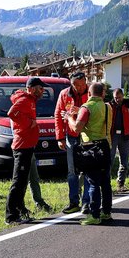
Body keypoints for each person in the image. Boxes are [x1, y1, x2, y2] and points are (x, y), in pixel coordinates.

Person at [4, 77, 49, 225]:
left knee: (22, 182)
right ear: (32, 88)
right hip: (22, 146)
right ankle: (10, 216)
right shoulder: (25, 100)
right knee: (18, 182)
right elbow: (12, 113)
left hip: (27, 146)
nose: (43, 91)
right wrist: (30, 123)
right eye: (40, 88)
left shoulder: (30, 100)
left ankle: (20, 210)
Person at [67, 82, 113, 226]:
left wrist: (69, 117)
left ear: (89, 93)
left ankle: (94, 215)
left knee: (93, 182)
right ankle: (106, 212)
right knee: (105, 182)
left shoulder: (86, 108)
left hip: (91, 148)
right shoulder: (108, 107)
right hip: (106, 146)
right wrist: (79, 111)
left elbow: (76, 129)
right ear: (103, 93)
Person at [55, 71, 90, 214]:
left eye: (82, 84)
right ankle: (73, 202)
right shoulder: (64, 94)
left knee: (88, 170)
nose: (80, 87)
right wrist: (60, 137)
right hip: (71, 136)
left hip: (88, 137)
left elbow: (97, 110)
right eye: (77, 85)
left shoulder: (91, 92)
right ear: (71, 83)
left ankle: (87, 202)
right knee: (72, 172)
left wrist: (80, 110)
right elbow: (58, 115)